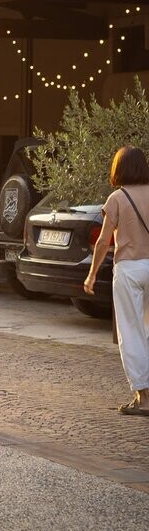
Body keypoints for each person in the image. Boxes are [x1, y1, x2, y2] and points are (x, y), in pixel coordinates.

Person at [84, 146, 149, 416]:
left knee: (131, 332)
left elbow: (103, 242)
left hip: (129, 269)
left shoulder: (117, 198)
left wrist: (92, 274)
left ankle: (143, 397)